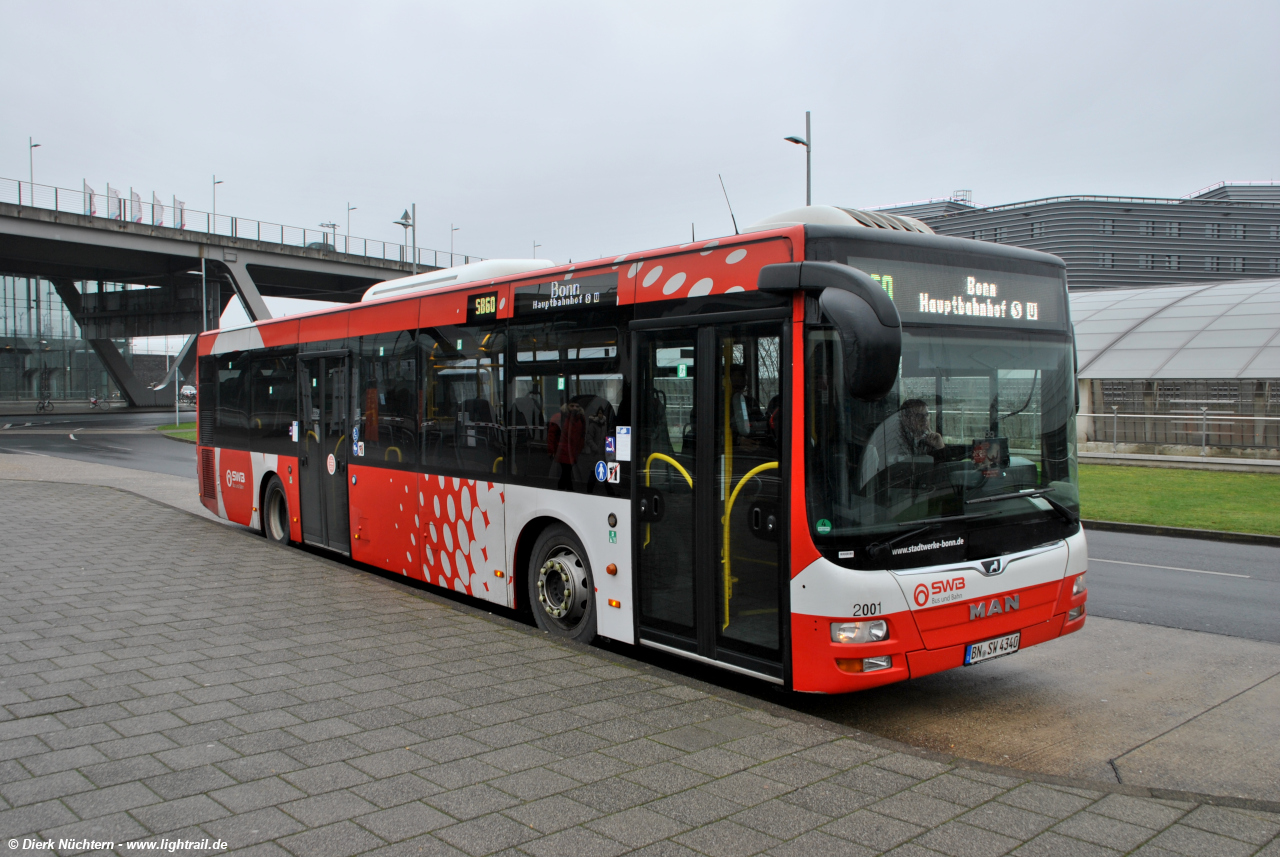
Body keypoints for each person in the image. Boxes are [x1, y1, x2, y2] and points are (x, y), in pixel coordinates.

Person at [857, 399, 945, 489]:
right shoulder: (896, 439)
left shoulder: (930, 440)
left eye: (926, 415)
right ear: (905, 418)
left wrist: (940, 447)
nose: (924, 419)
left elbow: (942, 470)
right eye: (919, 416)